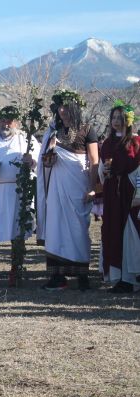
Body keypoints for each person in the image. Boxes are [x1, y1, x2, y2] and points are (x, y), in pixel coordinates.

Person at [37, 89, 99, 291]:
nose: (62, 111)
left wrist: (92, 188)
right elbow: (45, 163)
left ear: (74, 108)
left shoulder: (87, 129)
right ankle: (57, 277)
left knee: (78, 229)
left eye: (65, 107)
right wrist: (51, 149)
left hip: (77, 184)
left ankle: (82, 276)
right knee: (55, 228)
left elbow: (94, 160)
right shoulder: (53, 132)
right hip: (56, 187)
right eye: (59, 108)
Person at [0, 106, 40, 288]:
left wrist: (31, 162)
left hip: (18, 192)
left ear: (17, 122)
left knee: (16, 233)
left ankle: (15, 274)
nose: (6, 123)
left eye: (10, 120)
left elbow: (38, 161)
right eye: (2, 120)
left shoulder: (26, 139)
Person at [99, 100, 140, 293]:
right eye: (114, 117)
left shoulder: (136, 142)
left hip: (130, 192)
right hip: (113, 193)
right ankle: (119, 277)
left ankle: (132, 276)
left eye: (120, 118)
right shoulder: (107, 143)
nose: (116, 121)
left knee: (131, 232)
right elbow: (102, 168)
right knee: (113, 230)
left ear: (128, 120)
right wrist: (105, 172)